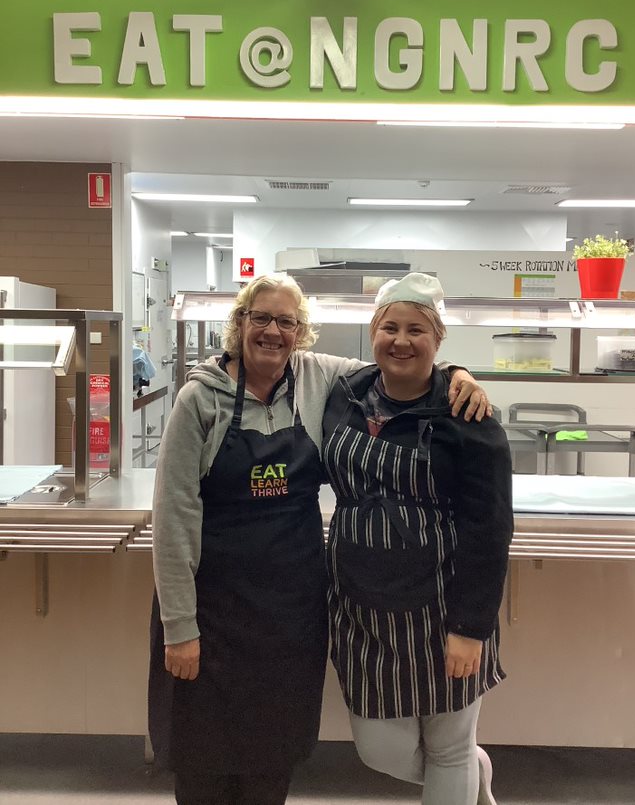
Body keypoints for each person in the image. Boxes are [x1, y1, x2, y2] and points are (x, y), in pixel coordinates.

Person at [149, 272, 491, 805]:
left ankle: (464, 772)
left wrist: (457, 372)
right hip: (211, 612)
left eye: (286, 321)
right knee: (204, 762)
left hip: (291, 614)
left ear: (301, 333)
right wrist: (179, 627)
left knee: (272, 759)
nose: (272, 331)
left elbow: (400, 364)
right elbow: (172, 517)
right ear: (239, 324)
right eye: (260, 317)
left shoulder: (320, 378)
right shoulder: (200, 400)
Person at [322, 272, 513, 805]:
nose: (401, 340)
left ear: (438, 339)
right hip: (359, 609)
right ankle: (474, 778)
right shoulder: (346, 394)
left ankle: (463, 773)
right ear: (372, 331)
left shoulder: (468, 416)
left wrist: (471, 627)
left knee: (449, 747)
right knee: (379, 749)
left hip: (442, 607)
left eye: (416, 329)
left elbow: (490, 528)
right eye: (389, 327)